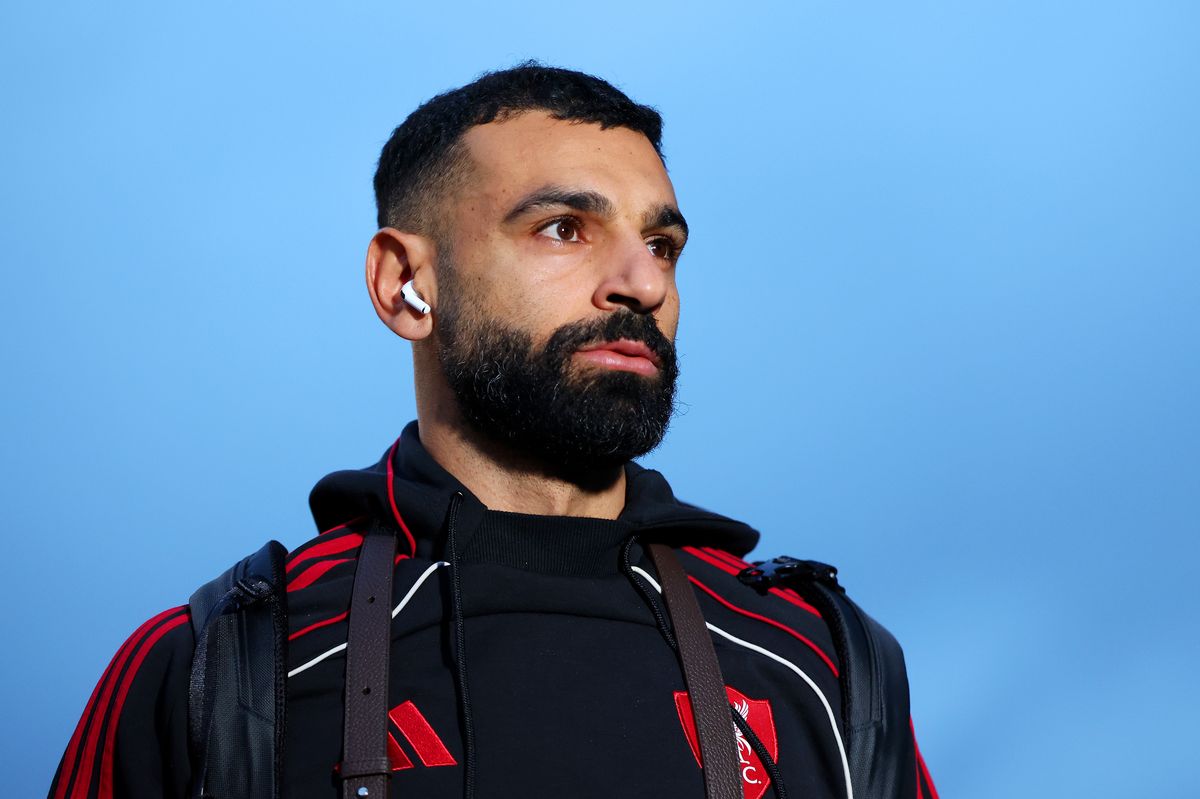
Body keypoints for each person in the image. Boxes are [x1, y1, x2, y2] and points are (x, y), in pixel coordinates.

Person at [49, 64, 937, 799]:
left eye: (662, 244)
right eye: (564, 229)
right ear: (405, 284)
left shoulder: (821, 660)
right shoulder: (226, 666)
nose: (642, 283)